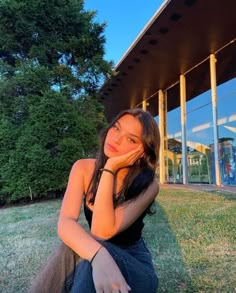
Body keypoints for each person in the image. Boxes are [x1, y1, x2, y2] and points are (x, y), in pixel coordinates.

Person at [29, 108, 160, 293]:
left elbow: (101, 231)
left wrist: (110, 168)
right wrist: (99, 256)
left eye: (131, 139)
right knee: (75, 247)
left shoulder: (149, 185)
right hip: (102, 254)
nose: (115, 139)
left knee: (89, 253)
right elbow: (65, 222)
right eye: (115, 128)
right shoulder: (83, 168)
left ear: (143, 152)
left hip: (135, 267)